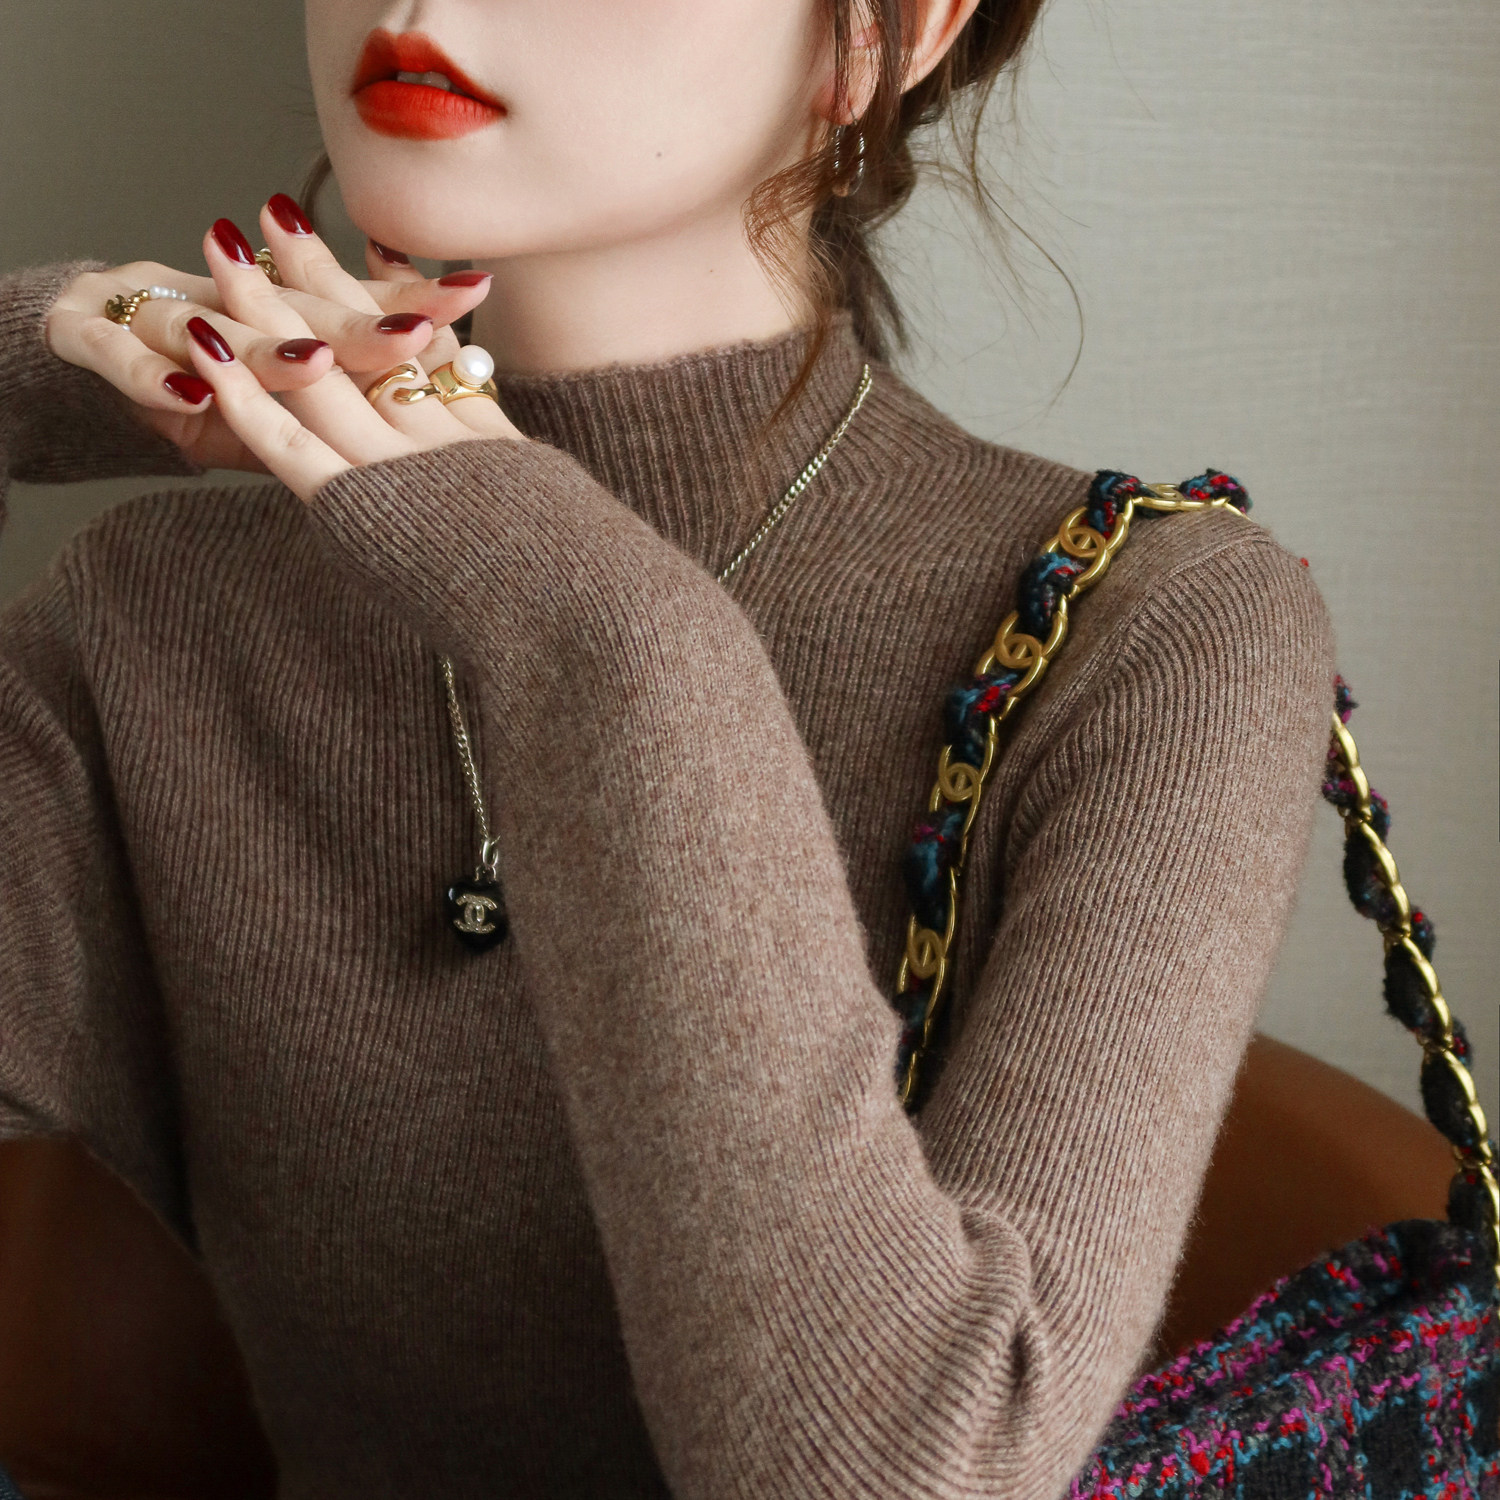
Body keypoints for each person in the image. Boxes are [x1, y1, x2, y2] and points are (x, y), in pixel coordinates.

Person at [0, 0, 1334, 1493]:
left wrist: (605, 636)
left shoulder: (1144, 630)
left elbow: (912, 1472)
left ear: (888, 39)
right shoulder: (156, 617)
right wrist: (21, 372)